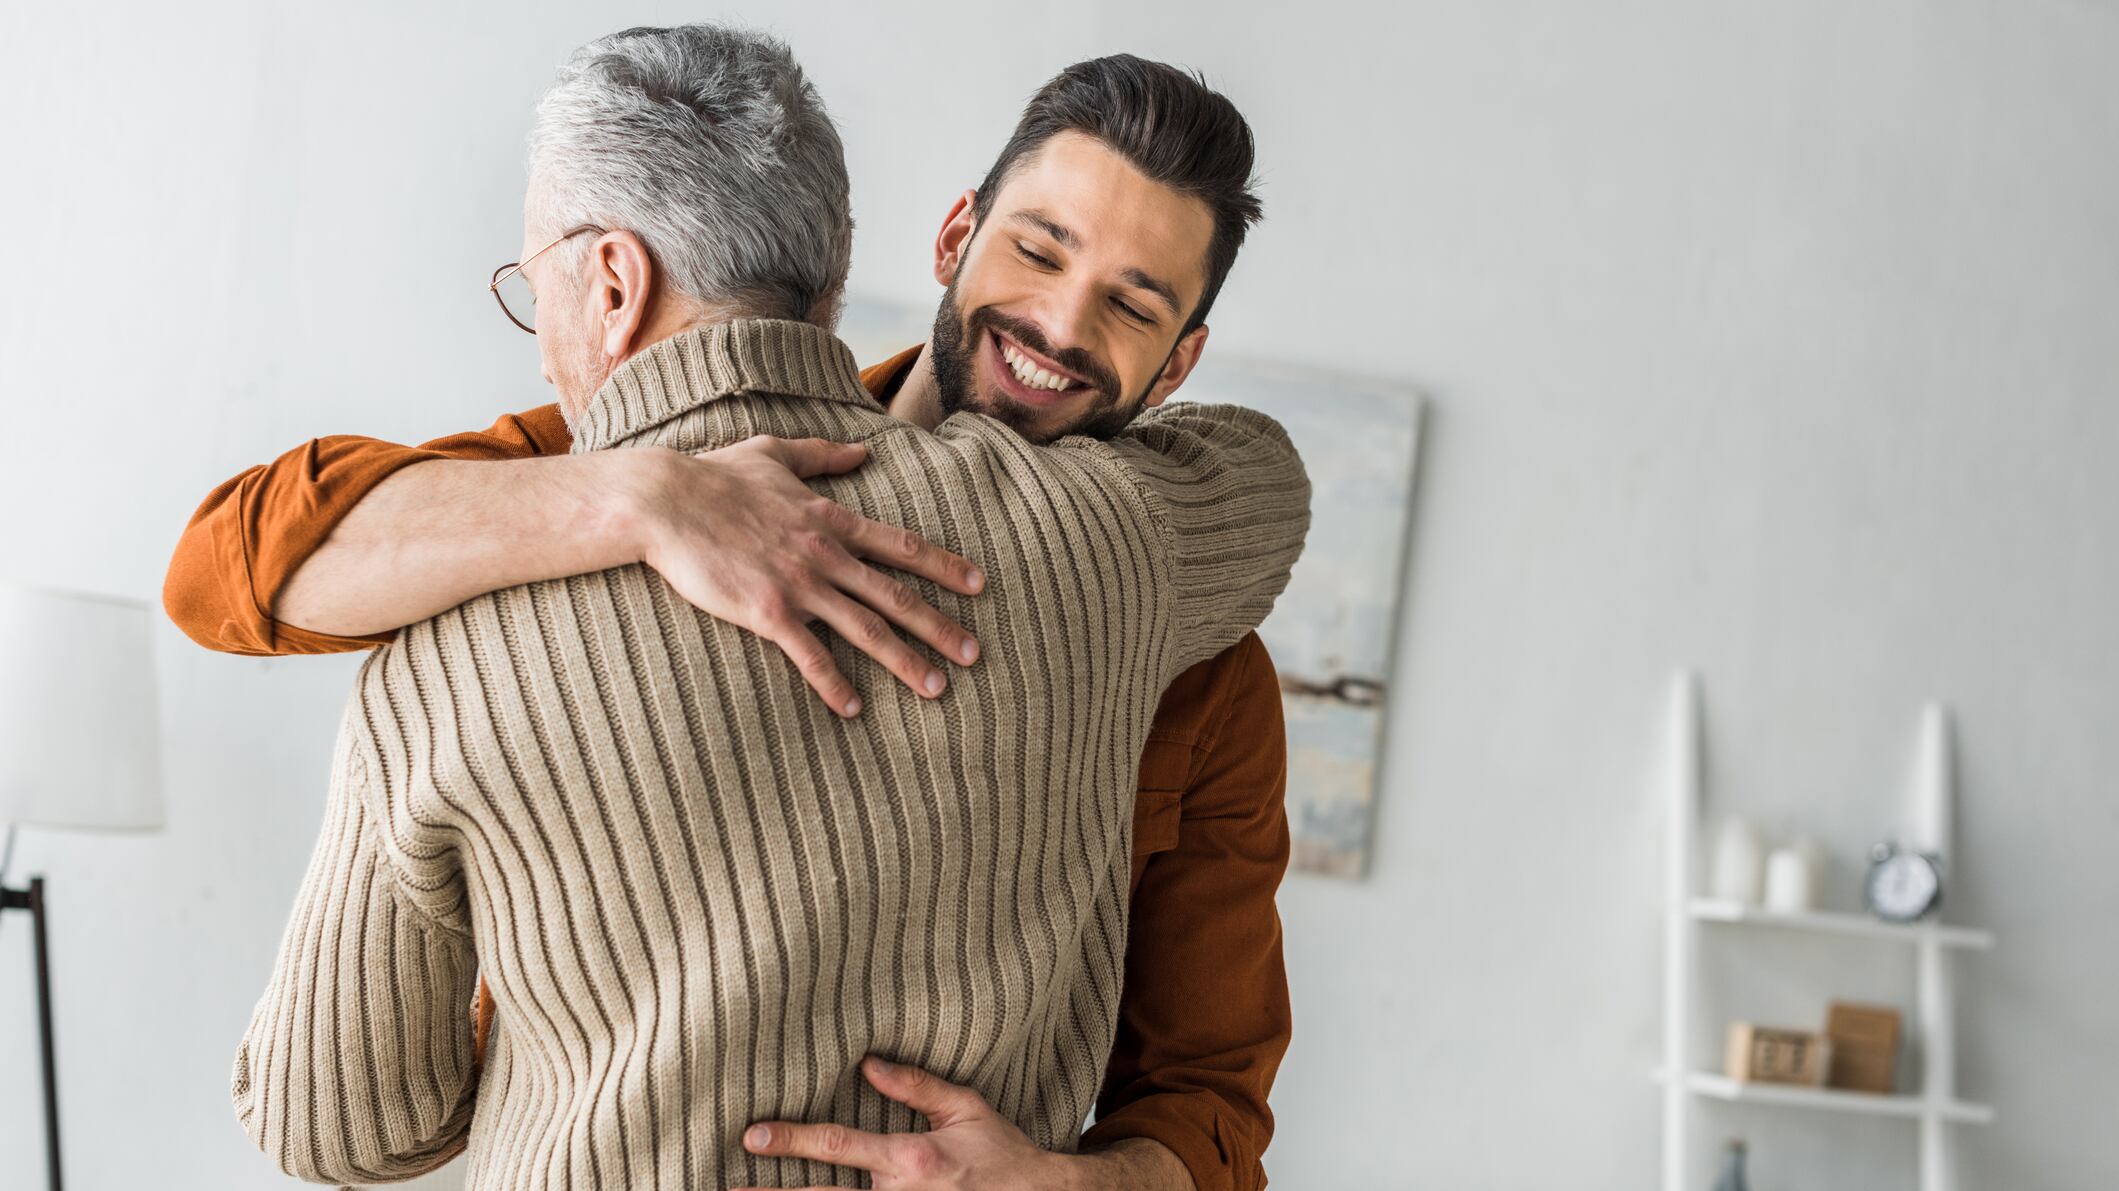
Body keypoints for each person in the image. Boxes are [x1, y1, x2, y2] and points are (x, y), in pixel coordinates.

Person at [217, 25, 1309, 1191]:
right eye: (1039, 252)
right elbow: (229, 561)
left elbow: (338, 1129)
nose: (1058, 326)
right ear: (947, 239)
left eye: (1130, 307)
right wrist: (640, 497)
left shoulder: (448, 643)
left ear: (613, 285)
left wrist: (1084, 1184)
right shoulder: (549, 500)